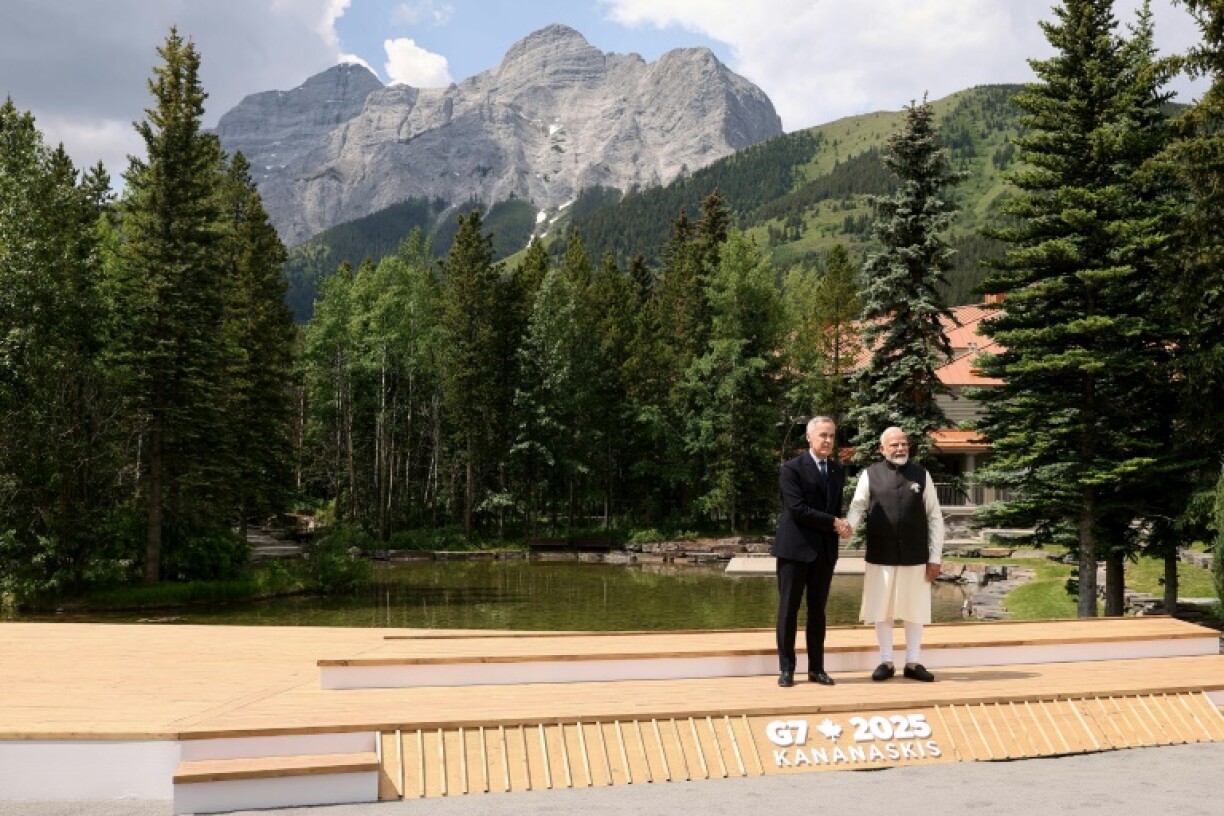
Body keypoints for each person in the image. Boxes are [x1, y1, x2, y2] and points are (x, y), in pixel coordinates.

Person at [845, 426, 945, 682]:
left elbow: (935, 517)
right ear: (882, 449)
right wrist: (847, 527)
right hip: (881, 554)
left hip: (916, 554)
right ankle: (886, 661)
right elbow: (858, 506)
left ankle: (913, 662)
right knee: (882, 610)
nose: (900, 449)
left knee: (915, 610)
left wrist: (935, 558)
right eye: (894, 445)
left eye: (903, 444)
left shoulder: (922, 475)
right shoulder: (870, 475)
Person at [772, 416, 852, 687]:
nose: (828, 440)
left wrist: (842, 526)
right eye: (822, 436)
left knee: (818, 613)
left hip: (824, 552)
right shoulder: (791, 469)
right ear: (809, 437)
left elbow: (834, 511)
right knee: (788, 611)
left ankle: (816, 669)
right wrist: (833, 522)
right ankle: (787, 669)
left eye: (831, 436)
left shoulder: (838, 471)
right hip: (794, 550)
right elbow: (798, 509)